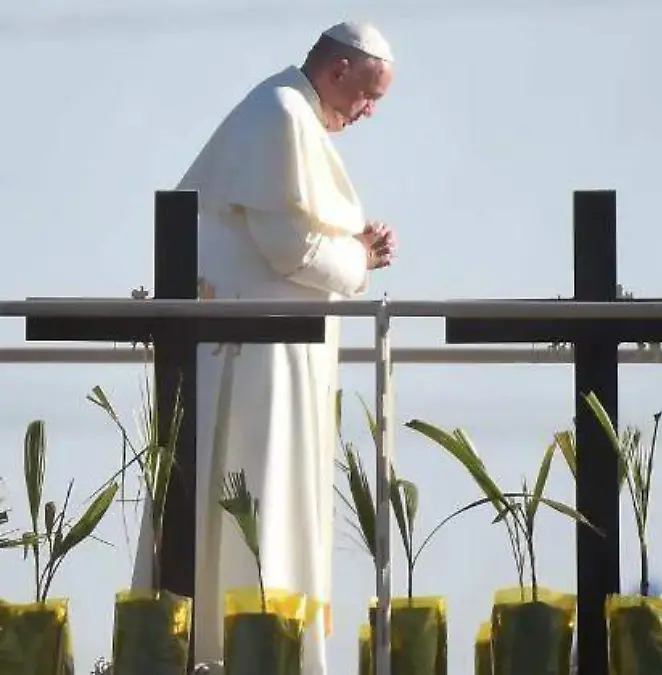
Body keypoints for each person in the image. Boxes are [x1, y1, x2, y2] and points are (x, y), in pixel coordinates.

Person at [128, 21, 398, 674]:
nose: (369, 113)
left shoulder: (290, 115)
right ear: (338, 71)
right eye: (368, 95)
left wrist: (354, 252)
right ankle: (236, 653)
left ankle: (258, 649)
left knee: (270, 505)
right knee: (255, 500)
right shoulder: (279, 114)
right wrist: (359, 258)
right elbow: (292, 249)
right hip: (248, 359)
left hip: (271, 356)